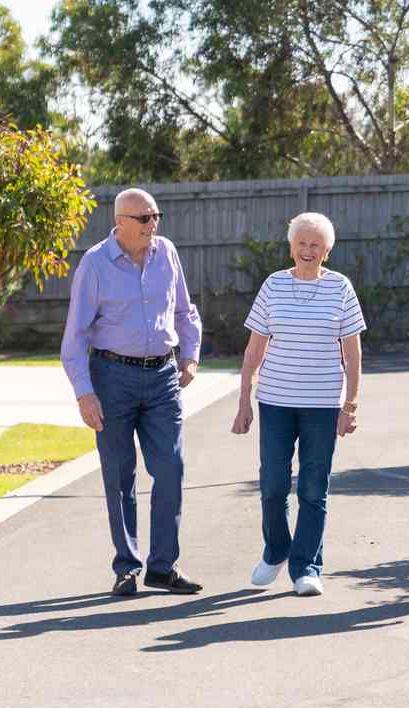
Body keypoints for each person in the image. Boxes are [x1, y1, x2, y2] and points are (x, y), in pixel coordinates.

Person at [62, 188, 203, 597]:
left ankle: (163, 567)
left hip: (162, 377)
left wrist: (190, 355)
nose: (152, 225)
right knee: (120, 475)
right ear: (119, 222)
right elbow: (75, 337)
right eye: (144, 218)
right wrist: (85, 394)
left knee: (171, 471)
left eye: (156, 216)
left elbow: (184, 311)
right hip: (112, 378)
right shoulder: (94, 264)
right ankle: (127, 566)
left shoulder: (167, 253)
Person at [231, 213, 365, 597]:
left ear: (328, 250)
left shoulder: (341, 288)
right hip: (275, 402)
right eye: (302, 244)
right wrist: (244, 402)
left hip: (322, 405)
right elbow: (254, 348)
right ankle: (276, 551)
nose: (308, 251)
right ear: (291, 246)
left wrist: (350, 404)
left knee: (312, 488)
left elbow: (353, 355)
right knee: (273, 485)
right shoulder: (273, 285)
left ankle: (306, 566)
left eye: (316, 245)